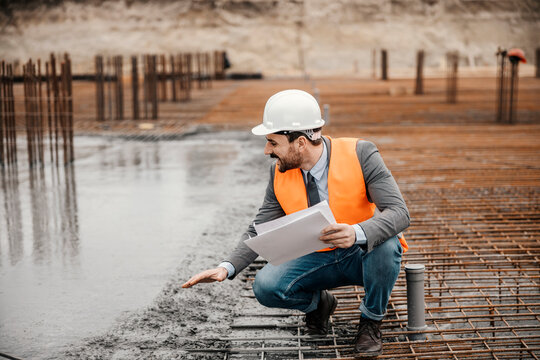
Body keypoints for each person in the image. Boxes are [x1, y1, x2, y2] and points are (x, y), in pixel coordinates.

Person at [183, 89, 410, 358]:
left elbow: (399, 212)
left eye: (272, 142)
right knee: (266, 286)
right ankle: (319, 306)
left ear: (300, 143)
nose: (267, 150)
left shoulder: (361, 153)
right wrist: (226, 267)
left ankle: (371, 322)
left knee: (387, 245)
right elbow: (259, 227)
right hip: (316, 259)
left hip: (362, 258)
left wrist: (356, 232)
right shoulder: (279, 172)